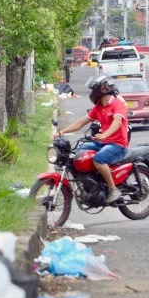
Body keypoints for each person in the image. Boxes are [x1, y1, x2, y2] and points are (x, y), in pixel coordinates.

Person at [54, 74, 129, 203]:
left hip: (118, 145)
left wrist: (105, 135)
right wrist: (62, 132)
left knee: (98, 159)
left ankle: (113, 189)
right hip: (102, 143)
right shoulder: (98, 107)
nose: (92, 93)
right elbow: (81, 122)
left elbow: (117, 122)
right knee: (78, 153)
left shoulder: (117, 104)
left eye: (93, 89)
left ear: (102, 89)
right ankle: (92, 184)